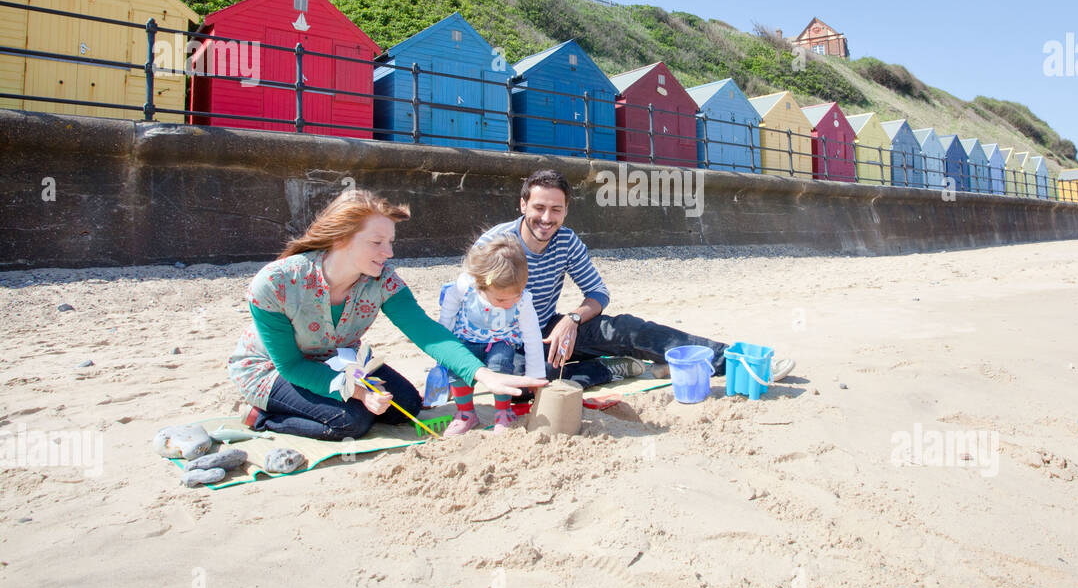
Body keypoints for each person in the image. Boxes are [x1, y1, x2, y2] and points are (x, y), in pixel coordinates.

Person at [228, 189, 546, 440]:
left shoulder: (382, 280)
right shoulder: (275, 283)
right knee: (352, 421)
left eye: (390, 242)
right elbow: (291, 365)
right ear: (341, 238)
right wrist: (358, 391)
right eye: (377, 242)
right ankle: (263, 416)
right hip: (273, 369)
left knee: (406, 404)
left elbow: (427, 332)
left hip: (339, 359)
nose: (389, 253)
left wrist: (483, 374)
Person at [474, 169, 795, 389]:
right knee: (523, 377)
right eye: (539, 207)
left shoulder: (566, 241)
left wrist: (571, 319)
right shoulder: (494, 244)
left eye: (555, 210)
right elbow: (465, 307)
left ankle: (735, 359)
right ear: (522, 205)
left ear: (566, 210)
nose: (546, 218)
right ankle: (607, 369)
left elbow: (598, 293)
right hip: (501, 342)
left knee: (625, 327)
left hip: (549, 330)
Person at [437, 236, 545, 435]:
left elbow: (532, 336)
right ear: (482, 285)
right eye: (502, 299)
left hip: (501, 341)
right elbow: (449, 308)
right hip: (466, 338)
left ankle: (503, 413)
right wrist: (444, 340)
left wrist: (535, 376)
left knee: (501, 367)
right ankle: (466, 413)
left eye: (517, 295)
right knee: (458, 372)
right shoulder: (466, 286)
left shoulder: (523, 301)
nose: (509, 304)